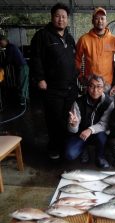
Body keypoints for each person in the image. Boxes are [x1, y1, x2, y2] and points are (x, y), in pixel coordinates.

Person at [30, 3, 78, 159]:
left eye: (64, 17)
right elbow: (35, 58)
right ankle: (53, 148)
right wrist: (40, 78)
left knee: (67, 118)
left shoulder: (70, 38)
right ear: (52, 17)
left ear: (67, 20)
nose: (61, 19)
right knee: (53, 119)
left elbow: (73, 60)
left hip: (70, 88)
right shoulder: (42, 35)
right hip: (52, 88)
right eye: (58, 16)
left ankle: (64, 145)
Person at [65, 74, 114, 168]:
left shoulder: (109, 103)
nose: (95, 90)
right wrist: (73, 124)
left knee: (102, 136)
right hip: (81, 133)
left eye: (99, 86)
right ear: (87, 87)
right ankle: (84, 148)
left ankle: (100, 156)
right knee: (70, 154)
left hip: (98, 133)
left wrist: (90, 130)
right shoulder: (78, 102)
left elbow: (105, 124)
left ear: (104, 88)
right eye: (91, 86)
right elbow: (72, 131)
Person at [75, 7, 115, 91]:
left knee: (108, 104)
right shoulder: (84, 39)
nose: (100, 21)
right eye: (96, 18)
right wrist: (80, 76)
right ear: (92, 21)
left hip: (107, 84)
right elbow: (77, 59)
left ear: (106, 21)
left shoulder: (114, 40)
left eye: (102, 18)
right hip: (90, 84)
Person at [0, 34, 29, 106]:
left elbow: (8, 60)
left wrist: (1, 66)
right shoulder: (10, 47)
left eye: (0, 43)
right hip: (21, 67)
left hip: (22, 67)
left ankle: (23, 101)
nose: (0, 45)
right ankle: (24, 100)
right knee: (22, 83)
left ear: (4, 40)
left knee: (22, 84)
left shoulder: (10, 47)